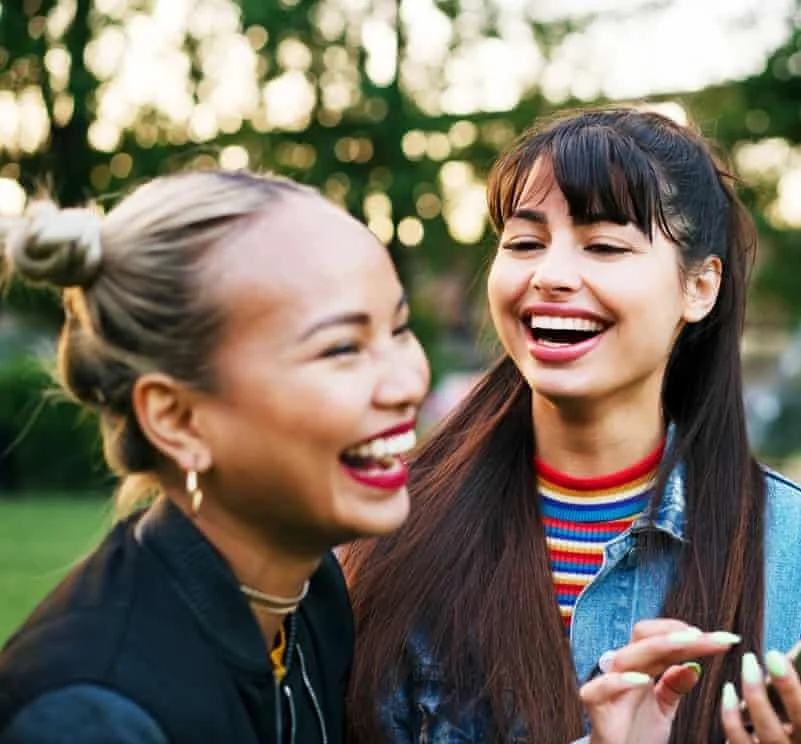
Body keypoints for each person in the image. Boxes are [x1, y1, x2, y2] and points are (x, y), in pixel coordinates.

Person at [0, 169, 724, 744]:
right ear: (178, 417)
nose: (407, 381)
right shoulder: (91, 715)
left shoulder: (309, 596)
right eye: (342, 348)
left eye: (399, 328)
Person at [343, 106, 801, 743]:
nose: (551, 275)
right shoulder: (390, 524)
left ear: (700, 287)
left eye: (604, 246)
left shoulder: (791, 543)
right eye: (524, 243)